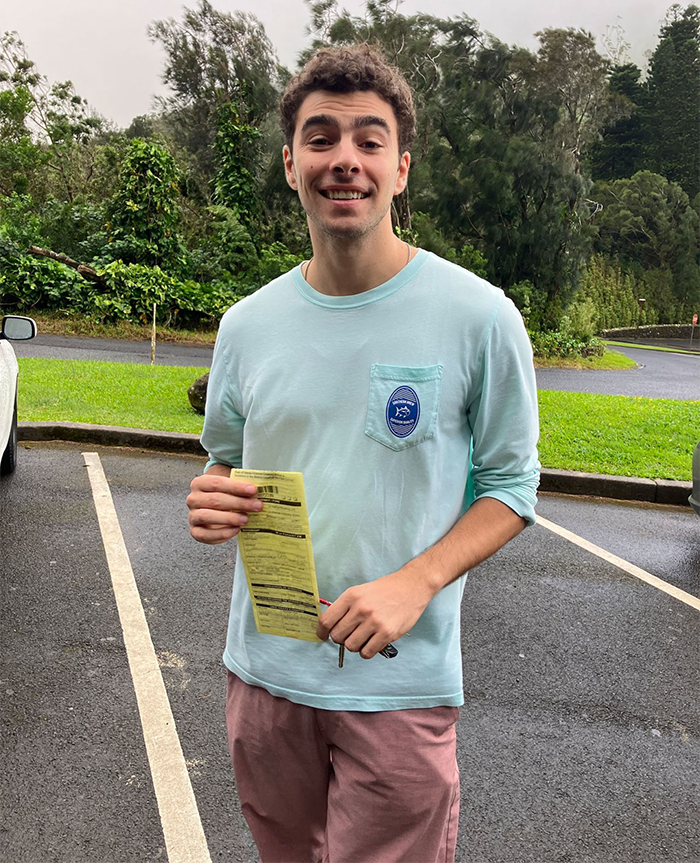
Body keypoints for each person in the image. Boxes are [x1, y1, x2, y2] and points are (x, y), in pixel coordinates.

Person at [187, 44, 540, 863]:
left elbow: (513, 485)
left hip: (399, 687)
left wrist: (415, 582)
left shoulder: (479, 317)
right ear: (290, 164)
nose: (344, 159)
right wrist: (210, 490)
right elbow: (225, 460)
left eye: (368, 140)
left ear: (401, 168)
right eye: (321, 138)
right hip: (265, 677)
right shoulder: (247, 325)